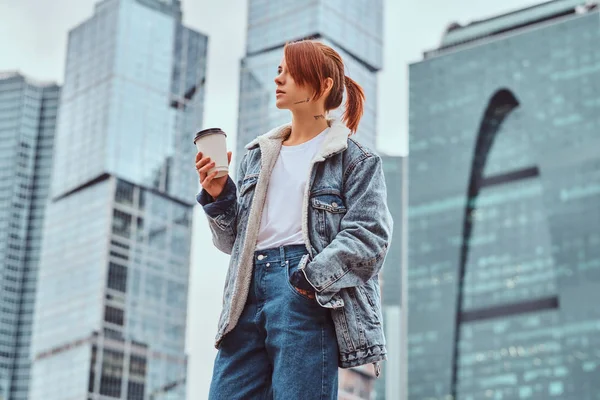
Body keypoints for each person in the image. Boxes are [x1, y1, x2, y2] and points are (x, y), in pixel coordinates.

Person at [195, 39, 393, 400]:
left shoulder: (355, 160)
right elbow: (232, 242)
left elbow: (369, 237)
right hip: (246, 296)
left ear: (323, 84)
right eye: (278, 71)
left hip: (303, 289)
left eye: (288, 71)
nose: (278, 79)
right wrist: (219, 194)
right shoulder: (256, 156)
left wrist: (310, 280)